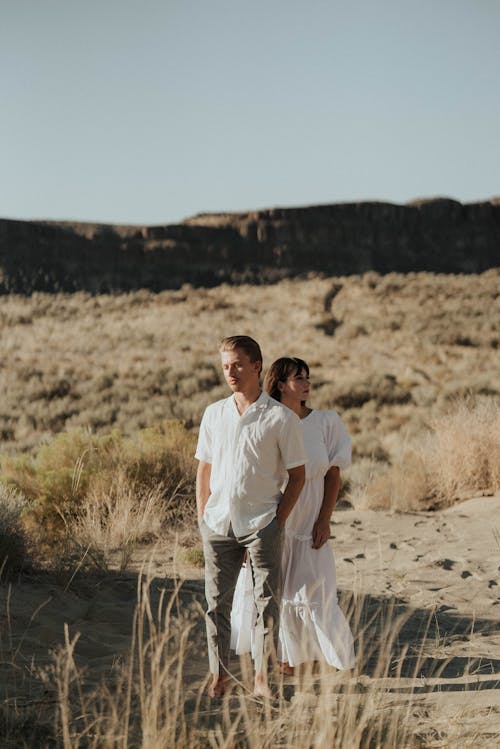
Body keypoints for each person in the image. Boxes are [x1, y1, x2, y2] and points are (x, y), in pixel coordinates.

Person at [195, 337, 306, 698]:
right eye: (226, 365)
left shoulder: (281, 417)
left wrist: (278, 521)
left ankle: (261, 679)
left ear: (257, 365)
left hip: (262, 524)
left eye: (238, 364)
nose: (230, 372)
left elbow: (298, 475)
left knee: (265, 606)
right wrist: (202, 518)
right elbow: (204, 470)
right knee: (216, 604)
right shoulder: (214, 413)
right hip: (218, 522)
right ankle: (219, 676)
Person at [231, 357, 355, 675]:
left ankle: (330, 659)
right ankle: (287, 660)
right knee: (279, 592)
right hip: (275, 519)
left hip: (309, 522)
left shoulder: (326, 422)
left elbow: (331, 476)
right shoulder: (267, 420)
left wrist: (324, 519)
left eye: (307, 377)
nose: (306, 383)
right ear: (281, 383)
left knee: (315, 590)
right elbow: (253, 478)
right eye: (298, 378)